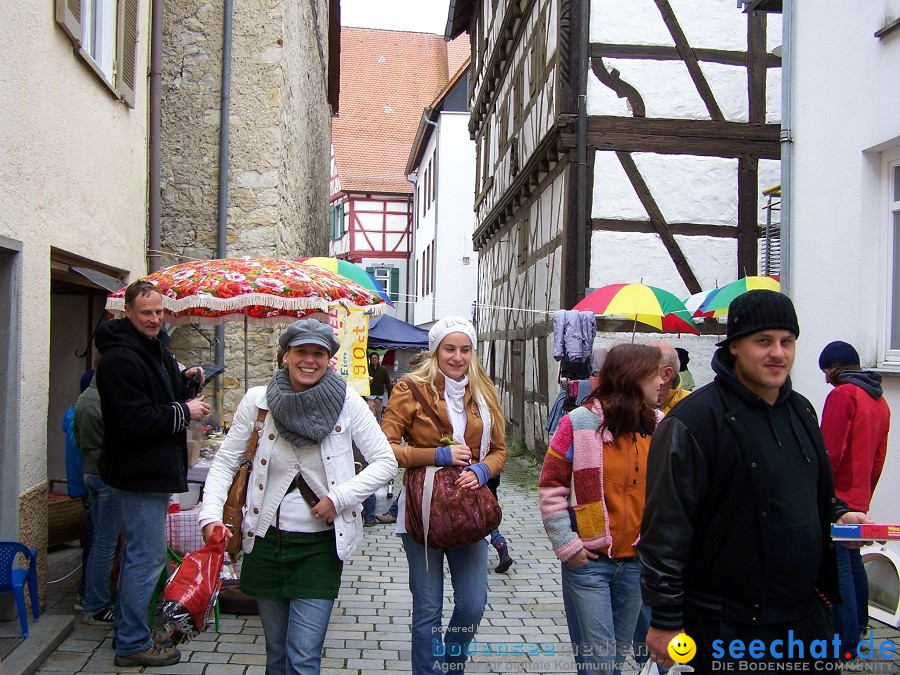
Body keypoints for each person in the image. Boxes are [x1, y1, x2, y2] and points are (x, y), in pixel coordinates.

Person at [639, 290, 872, 671]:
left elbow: (818, 492)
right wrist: (665, 619)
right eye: (763, 341)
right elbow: (667, 528)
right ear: (734, 347)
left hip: (805, 619)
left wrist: (841, 514)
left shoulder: (802, 411)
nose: (778, 353)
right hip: (728, 626)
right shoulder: (694, 421)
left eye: (787, 341)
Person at [198, 319, 397, 674]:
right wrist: (211, 516)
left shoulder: (347, 401)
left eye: (318, 353)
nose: (309, 360)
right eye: (301, 351)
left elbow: (385, 462)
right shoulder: (258, 402)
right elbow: (225, 463)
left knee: (303, 658)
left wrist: (338, 498)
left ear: (328, 358)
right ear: (285, 356)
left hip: (319, 548)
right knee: (276, 656)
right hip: (264, 542)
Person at [381, 316, 507, 674]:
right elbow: (385, 448)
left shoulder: (484, 392)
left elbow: (499, 449)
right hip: (422, 511)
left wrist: (484, 469)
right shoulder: (410, 388)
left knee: (472, 604)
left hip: (469, 510)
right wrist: (437, 455)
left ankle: (452, 665)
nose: (457, 357)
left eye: (465, 349)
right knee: (427, 609)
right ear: (435, 351)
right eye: (449, 348)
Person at [95, 280, 211, 668]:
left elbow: (159, 394)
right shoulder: (119, 359)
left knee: (142, 557)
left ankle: (137, 630)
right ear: (127, 312)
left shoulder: (151, 347)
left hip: (151, 471)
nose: (154, 319)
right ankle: (131, 642)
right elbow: (132, 420)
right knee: (144, 560)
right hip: (138, 473)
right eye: (146, 313)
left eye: (159, 312)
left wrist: (184, 379)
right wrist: (185, 412)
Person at [539, 343, 664, 673]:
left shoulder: (661, 427)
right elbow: (552, 486)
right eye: (655, 376)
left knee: (612, 658)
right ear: (633, 378)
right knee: (602, 662)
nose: (661, 383)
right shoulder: (577, 423)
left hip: (637, 564)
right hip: (590, 563)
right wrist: (568, 544)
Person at [818, 341, 890, 658]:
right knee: (853, 564)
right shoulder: (880, 401)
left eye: (825, 371)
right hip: (858, 497)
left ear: (836, 367)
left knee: (839, 570)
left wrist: (821, 492)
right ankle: (859, 628)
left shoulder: (843, 395)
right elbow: (878, 458)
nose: (825, 379)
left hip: (838, 497)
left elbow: (829, 452)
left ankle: (844, 644)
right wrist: (866, 494)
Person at [74, 365, 122, 627]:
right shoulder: (106, 400)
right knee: (105, 543)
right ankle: (96, 604)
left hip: (89, 471)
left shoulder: (83, 399)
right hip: (106, 475)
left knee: (96, 541)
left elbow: (77, 436)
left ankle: (89, 598)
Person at [376, 350, 431, 526]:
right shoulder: (407, 391)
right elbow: (388, 446)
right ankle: (393, 512)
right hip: (418, 469)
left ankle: (392, 512)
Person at [646, 340, 690, 414]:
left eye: (644, 368)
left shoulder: (690, 404)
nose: (635, 373)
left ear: (666, 374)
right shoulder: (628, 403)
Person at [366, 352, 393, 422]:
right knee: (371, 413)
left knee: (378, 413)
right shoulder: (367, 369)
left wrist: (390, 395)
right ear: (370, 360)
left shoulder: (383, 370)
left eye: (375, 358)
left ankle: (378, 427)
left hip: (379, 396)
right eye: (372, 358)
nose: (374, 360)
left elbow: (387, 382)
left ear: (378, 359)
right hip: (369, 396)